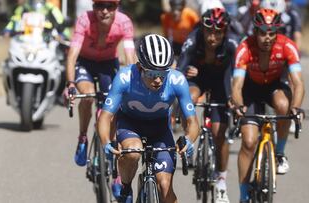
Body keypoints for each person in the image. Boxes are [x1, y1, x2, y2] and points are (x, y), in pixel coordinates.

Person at [98, 34, 200, 203]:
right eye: (152, 73)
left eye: (163, 73)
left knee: (166, 188)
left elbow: (192, 121)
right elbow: (105, 116)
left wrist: (189, 139)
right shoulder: (125, 77)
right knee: (134, 151)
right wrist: (105, 141)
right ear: (139, 68)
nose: (158, 80)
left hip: (159, 128)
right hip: (130, 123)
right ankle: (125, 186)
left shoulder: (177, 79)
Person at [231, 8, 305, 202]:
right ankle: (243, 195)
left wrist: (296, 109)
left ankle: (279, 153)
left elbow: (298, 83)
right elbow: (237, 85)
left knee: (283, 106)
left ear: (277, 32)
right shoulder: (245, 47)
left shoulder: (287, 46)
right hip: (250, 90)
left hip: (274, 86)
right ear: (255, 31)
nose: (267, 38)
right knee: (248, 142)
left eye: (272, 33)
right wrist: (238, 106)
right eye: (263, 33)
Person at [63, 0, 136, 167]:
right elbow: (72, 56)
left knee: (112, 106)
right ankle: (82, 138)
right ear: (93, 7)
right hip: (85, 63)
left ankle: (109, 144)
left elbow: (130, 57)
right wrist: (70, 84)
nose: (104, 11)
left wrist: (133, 84)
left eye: (109, 6)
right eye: (99, 6)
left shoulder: (124, 22)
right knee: (87, 96)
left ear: (116, 8)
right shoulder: (84, 19)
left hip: (108, 64)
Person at [177, 7, 238, 203]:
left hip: (222, 84)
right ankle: (189, 142)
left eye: (218, 32)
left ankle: (221, 181)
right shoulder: (193, 39)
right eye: (208, 31)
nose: (212, 37)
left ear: (225, 31)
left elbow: (237, 76)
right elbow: (180, 68)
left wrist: (232, 98)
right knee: (191, 98)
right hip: (199, 80)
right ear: (202, 29)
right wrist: (187, 69)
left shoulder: (231, 44)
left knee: (220, 134)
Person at [3, 0, 70, 39]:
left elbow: (62, 25)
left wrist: (62, 35)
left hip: (46, 43)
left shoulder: (51, 9)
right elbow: (14, 21)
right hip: (24, 43)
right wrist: (7, 30)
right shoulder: (23, 8)